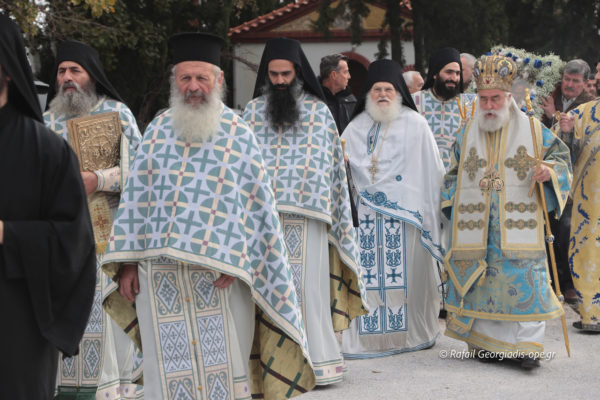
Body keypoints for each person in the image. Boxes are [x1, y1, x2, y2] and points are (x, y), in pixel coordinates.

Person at [101, 32, 315, 399]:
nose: (193, 87)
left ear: (218, 80)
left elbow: (258, 210)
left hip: (222, 275)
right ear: (175, 81)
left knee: (225, 367)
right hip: (161, 276)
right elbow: (136, 203)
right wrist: (128, 264)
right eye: (185, 78)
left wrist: (240, 259)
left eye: (202, 78)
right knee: (165, 367)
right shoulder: (156, 132)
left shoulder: (239, 133)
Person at [242, 37, 368, 385]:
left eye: (286, 74)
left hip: (307, 219)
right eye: (273, 74)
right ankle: (266, 366)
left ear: (298, 73)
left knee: (306, 290)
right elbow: (241, 165)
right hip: (260, 220)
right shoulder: (251, 112)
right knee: (263, 290)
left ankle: (316, 361)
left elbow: (332, 172)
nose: (280, 81)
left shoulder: (318, 112)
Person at [442, 55, 571, 369]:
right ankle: (489, 344)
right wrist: (453, 205)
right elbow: (452, 175)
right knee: (484, 284)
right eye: (483, 99)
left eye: (495, 98)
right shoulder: (466, 132)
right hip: (479, 228)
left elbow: (561, 160)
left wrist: (548, 172)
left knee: (528, 281)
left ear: (509, 97)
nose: (488, 105)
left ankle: (528, 348)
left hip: (519, 226)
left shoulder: (533, 129)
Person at [0, 15, 96, 398]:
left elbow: (75, 242)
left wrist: (8, 234)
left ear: (7, 70)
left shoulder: (47, 151)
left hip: (16, 324)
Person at [43, 39, 143, 398]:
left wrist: (98, 180)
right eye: (61, 71)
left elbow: (142, 173)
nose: (67, 77)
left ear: (92, 76)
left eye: (75, 70)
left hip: (108, 237)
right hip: (59, 240)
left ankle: (110, 390)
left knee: (104, 315)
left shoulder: (118, 114)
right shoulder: (46, 121)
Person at [342, 59, 445, 358]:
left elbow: (432, 171)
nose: (383, 95)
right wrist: (342, 162)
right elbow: (341, 161)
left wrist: (433, 213)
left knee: (407, 278)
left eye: (388, 89)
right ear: (368, 93)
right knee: (369, 280)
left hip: (407, 219)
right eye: (377, 89)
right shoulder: (356, 125)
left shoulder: (417, 124)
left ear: (399, 92)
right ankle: (370, 339)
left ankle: (409, 335)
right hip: (366, 218)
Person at [557, 99, 600, 332]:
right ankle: (592, 315)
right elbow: (561, 153)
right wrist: (567, 133)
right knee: (587, 255)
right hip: (590, 201)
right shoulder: (583, 113)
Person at [414, 47, 475, 171]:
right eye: (449, 72)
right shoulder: (415, 101)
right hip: (423, 174)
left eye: (457, 73)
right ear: (435, 74)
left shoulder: (470, 104)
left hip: (456, 176)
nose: (454, 78)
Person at [541, 59, 593, 128]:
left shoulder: (590, 105)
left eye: (575, 81)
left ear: (586, 83)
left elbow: (580, 132)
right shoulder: (551, 93)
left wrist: (554, 116)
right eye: (567, 79)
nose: (569, 85)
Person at [320, 53, 356, 134]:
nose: (349, 76)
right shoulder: (314, 100)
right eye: (345, 72)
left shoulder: (351, 100)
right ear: (334, 75)